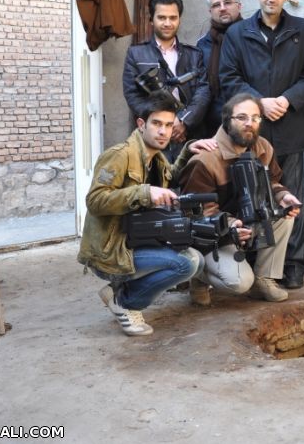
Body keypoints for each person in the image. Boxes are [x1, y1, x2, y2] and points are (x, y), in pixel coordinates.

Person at [220, 0, 304, 290]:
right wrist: (258, 102)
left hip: (291, 129)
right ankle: (252, 263)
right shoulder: (238, 34)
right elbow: (229, 78)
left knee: (289, 199)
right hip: (251, 132)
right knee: (249, 196)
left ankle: (292, 264)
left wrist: (287, 100)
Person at [77, 97, 216, 336]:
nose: (163, 131)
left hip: (134, 241)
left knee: (196, 259)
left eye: (169, 125)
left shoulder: (155, 157)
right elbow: (95, 200)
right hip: (111, 250)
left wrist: (187, 151)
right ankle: (124, 301)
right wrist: (144, 193)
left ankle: (119, 289)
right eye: (157, 124)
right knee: (185, 263)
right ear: (141, 124)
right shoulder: (120, 155)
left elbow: (169, 175)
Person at [178, 93, 303, 304]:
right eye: (242, 118)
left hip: (247, 224)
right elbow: (198, 214)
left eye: (255, 118)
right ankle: (197, 275)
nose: (250, 124)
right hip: (213, 237)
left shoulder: (263, 147)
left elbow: (271, 182)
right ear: (227, 121)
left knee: (284, 214)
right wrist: (230, 224)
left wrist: (284, 196)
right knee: (238, 283)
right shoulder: (205, 159)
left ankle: (263, 279)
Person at [122, 0, 210, 160]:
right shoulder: (136, 54)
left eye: (173, 18)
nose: (167, 23)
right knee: (157, 185)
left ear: (179, 19)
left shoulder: (194, 54)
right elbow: (132, 95)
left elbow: (203, 91)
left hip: (189, 134)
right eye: (162, 17)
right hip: (153, 138)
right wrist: (164, 124)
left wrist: (183, 121)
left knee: (189, 183)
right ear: (151, 19)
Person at [197, 0, 244, 137]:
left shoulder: (253, 38)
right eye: (216, 5)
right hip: (214, 129)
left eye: (227, 2)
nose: (222, 8)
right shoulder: (203, 45)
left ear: (239, 5)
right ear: (210, 11)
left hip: (248, 125)